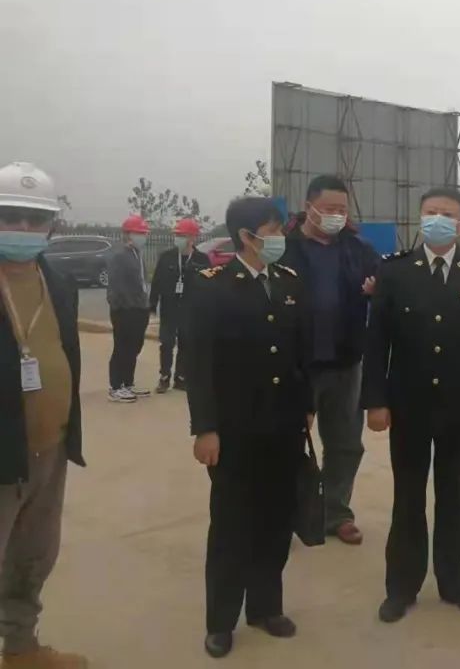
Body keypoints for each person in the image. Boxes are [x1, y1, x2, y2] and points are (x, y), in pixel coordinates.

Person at [362, 187, 460, 623]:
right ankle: (401, 586)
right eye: (430, 212)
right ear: (420, 217)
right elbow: (376, 342)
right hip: (408, 405)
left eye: (446, 213)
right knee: (407, 497)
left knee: (452, 495)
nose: (437, 219)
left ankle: (454, 581)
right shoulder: (394, 271)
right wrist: (375, 401)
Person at [185, 197, 313, 659]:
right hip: (234, 431)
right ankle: (221, 621)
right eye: (273, 230)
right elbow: (198, 365)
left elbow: (301, 354)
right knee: (231, 526)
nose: (280, 238)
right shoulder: (211, 287)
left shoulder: (289, 281)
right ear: (246, 236)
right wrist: (205, 428)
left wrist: (307, 407)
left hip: (283, 427)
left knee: (276, 522)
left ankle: (265, 607)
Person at [0, 162, 88, 669]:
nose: (23, 228)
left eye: (35, 219)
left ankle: (20, 648)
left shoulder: (57, 280)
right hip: (2, 454)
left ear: (52, 225)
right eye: (10, 216)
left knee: (33, 558)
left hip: (49, 448)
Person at [280, 175, 379, 546]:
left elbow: (382, 288)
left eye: (342, 209)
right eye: (329, 208)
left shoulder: (358, 249)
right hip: (297, 365)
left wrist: (376, 291)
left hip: (345, 362)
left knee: (345, 444)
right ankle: (287, 515)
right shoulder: (285, 248)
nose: (337, 215)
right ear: (309, 207)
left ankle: (336, 512)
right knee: (288, 443)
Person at [148, 217, 210, 394]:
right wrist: (152, 304)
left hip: (191, 309)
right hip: (169, 308)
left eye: (182, 235)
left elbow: (209, 285)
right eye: (177, 235)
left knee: (186, 343)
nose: (179, 239)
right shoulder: (166, 257)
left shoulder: (202, 259)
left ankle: (181, 377)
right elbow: (156, 282)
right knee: (166, 343)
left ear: (192, 238)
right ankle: (164, 376)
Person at [106, 214, 151, 402]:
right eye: (139, 233)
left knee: (134, 347)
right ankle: (116, 386)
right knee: (122, 347)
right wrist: (121, 305)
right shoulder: (119, 256)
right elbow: (115, 285)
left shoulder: (137, 254)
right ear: (128, 234)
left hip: (140, 307)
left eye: (144, 233)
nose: (143, 237)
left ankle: (128, 382)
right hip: (124, 309)